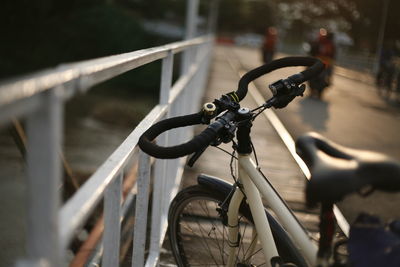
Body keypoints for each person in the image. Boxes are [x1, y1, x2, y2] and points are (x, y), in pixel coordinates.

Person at [309, 28, 336, 99]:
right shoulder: (316, 42)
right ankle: (313, 91)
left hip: (325, 64)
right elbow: (312, 52)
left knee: (328, 76)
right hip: (316, 62)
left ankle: (320, 91)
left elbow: (333, 55)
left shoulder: (330, 44)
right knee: (309, 74)